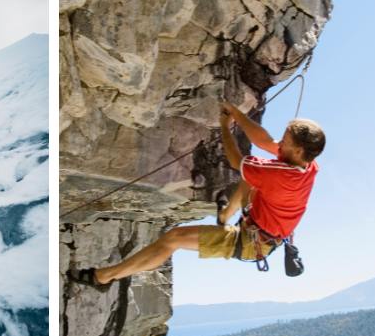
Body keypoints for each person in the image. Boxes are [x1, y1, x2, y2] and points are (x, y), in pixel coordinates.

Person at [68, 101, 325, 289]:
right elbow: (265, 141)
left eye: (287, 140)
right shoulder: (308, 165)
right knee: (252, 178)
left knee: (173, 239)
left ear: (300, 150)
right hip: (264, 229)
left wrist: (226, 127)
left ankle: (104, 277)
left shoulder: (280, 174)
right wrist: (236, 112)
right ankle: (226, 213)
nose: (281, 142)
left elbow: (236, 160)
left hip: (250, 242)